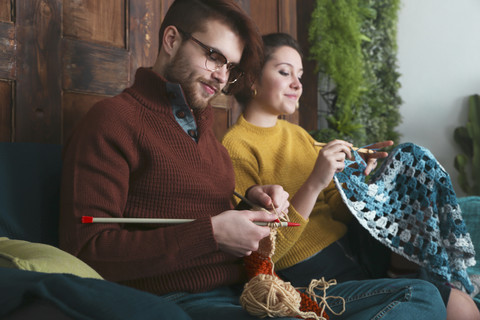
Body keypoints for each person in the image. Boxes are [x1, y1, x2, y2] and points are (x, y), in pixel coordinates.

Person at [59, 1, 295, 319]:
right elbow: (88, 251)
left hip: (244, 291)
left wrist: (251, 208)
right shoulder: (113, 121)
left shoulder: (211, 139)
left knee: (387, 295)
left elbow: (202, 220)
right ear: (171, 40)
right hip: (174, 301)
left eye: (230, 67)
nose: (221, 77)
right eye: (214, 56)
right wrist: (210, 235)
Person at [222, 32, 480, 319]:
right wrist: (316, 182)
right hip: (307, 275)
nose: (297, 83)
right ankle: (404, 278)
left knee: (463, 308)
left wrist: (355, 178)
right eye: (284, 72)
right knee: (433, 300)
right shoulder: (236, 147)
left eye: (300, 75)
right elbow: (264, 257)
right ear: (254, 77)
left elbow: (338, 212)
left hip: (352, 248)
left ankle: (406, 271)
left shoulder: (297, 135)